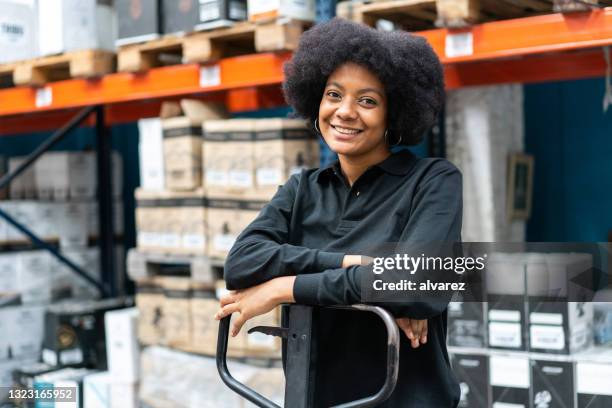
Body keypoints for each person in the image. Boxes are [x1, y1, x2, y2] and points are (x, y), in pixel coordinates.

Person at [214, 18, 462, 407]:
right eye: (334, 94)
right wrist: (354, 267)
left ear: (393, 114)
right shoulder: (302, 189)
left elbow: (414, 282)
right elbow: (241, 263)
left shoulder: (432, 181)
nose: (345, 112)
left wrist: (285, 287)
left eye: (367, 100)